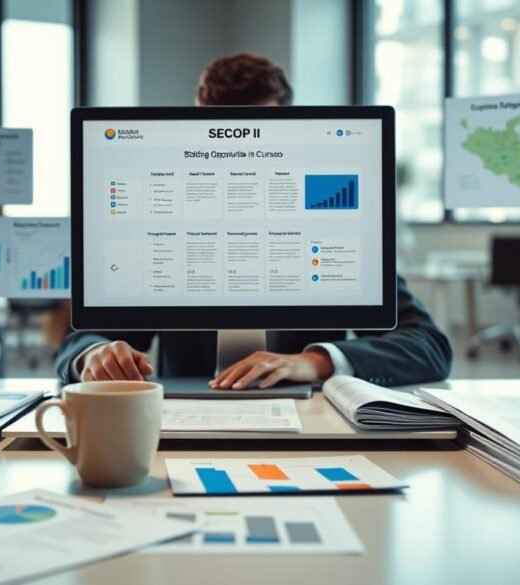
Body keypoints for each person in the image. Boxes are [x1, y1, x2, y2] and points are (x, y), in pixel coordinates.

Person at [55, 52, 452, 389]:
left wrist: (315, 362)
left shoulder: (330, 223)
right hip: (182, 423)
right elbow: (80, 343)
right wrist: (96, 355)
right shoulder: (163, 228)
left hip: (314, 422)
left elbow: (429, 346)